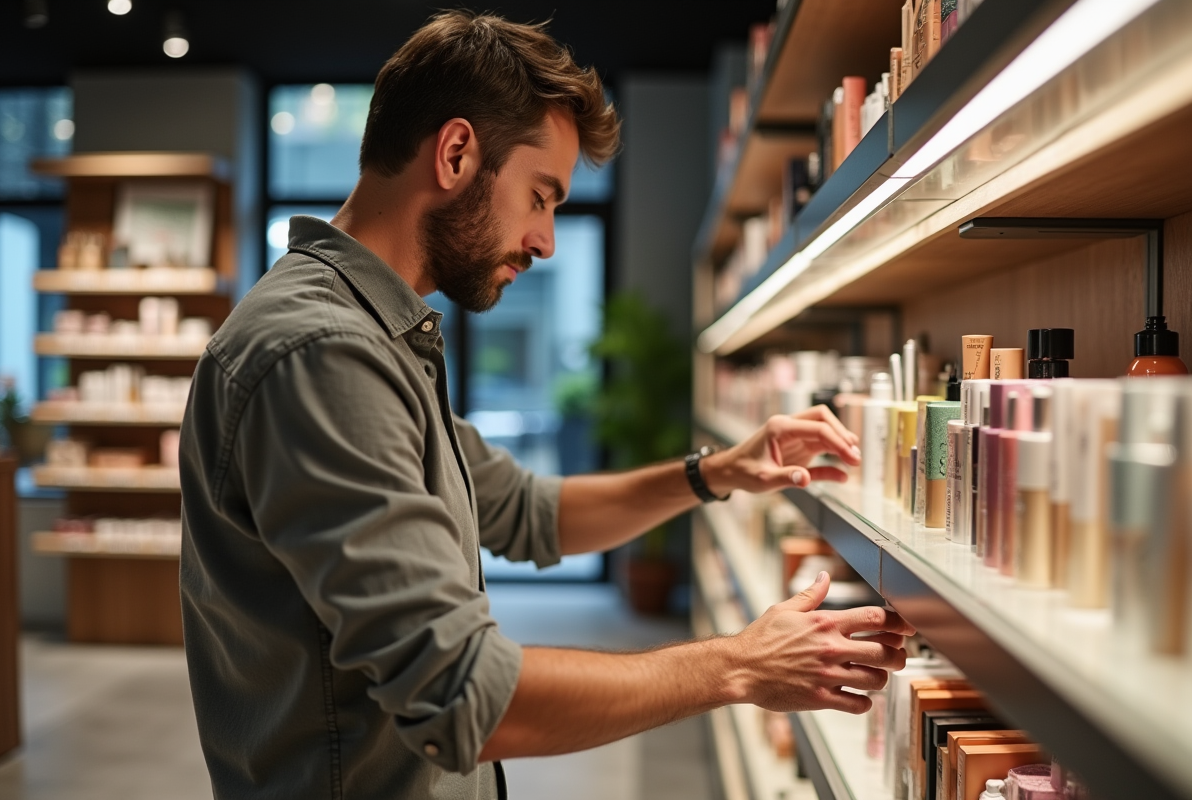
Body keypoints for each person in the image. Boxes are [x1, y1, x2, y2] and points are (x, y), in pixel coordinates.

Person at [179, 10, 913, 800]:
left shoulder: (377, 337)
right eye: (541, 196)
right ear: (457, 153)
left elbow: (532, 513)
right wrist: (736, 664)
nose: (546, 240)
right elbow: (465, 694)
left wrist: (717, 473)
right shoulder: (323, 354)